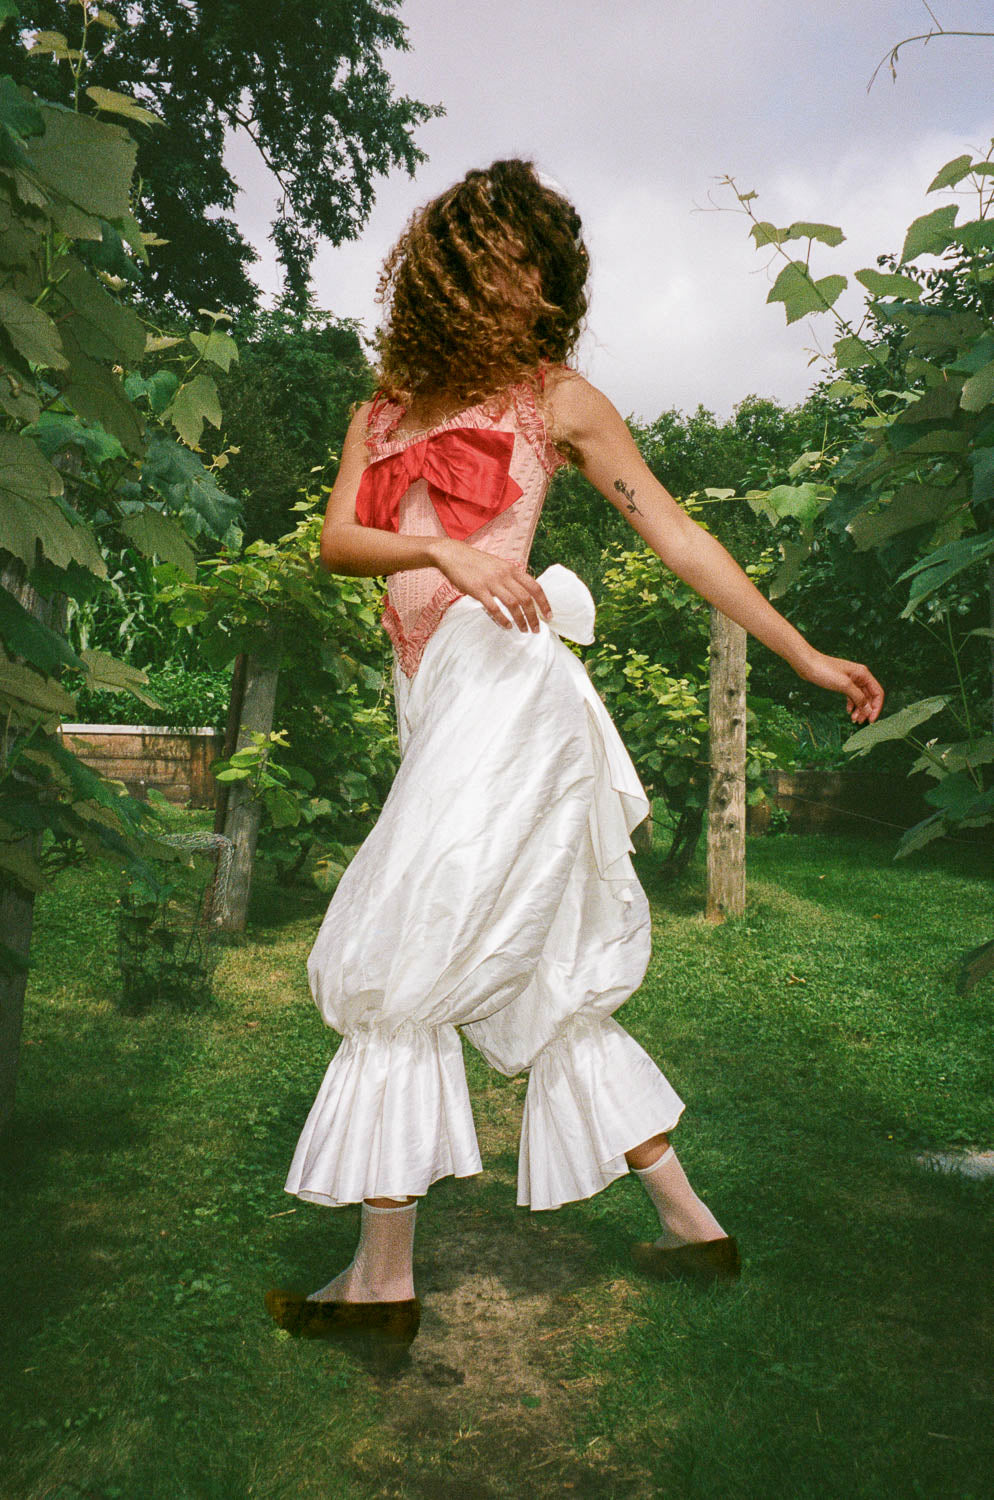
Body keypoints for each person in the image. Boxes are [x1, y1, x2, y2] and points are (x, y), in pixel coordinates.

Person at [264, 159, 884, 1348]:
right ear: (449, 269)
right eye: (505, 266)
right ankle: (692, 1226)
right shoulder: (383, 407)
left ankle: (379, 1282)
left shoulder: (557, 401)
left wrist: (801, 653)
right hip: (434, 700)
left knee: (399, 948)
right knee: (543, 970)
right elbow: (341, 542)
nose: (528, 292)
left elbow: (677, 534)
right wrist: (443, 556)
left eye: (543, 275)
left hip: (509, 694)